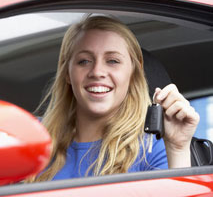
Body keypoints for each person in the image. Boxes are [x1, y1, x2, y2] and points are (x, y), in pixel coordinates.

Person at [28, 15, 199, 182]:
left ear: (134, 71)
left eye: (112, 61)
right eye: (84, 61)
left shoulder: (151, 149)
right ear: (67, 72)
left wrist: (178, 150)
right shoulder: (32, 139)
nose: (97, 72)